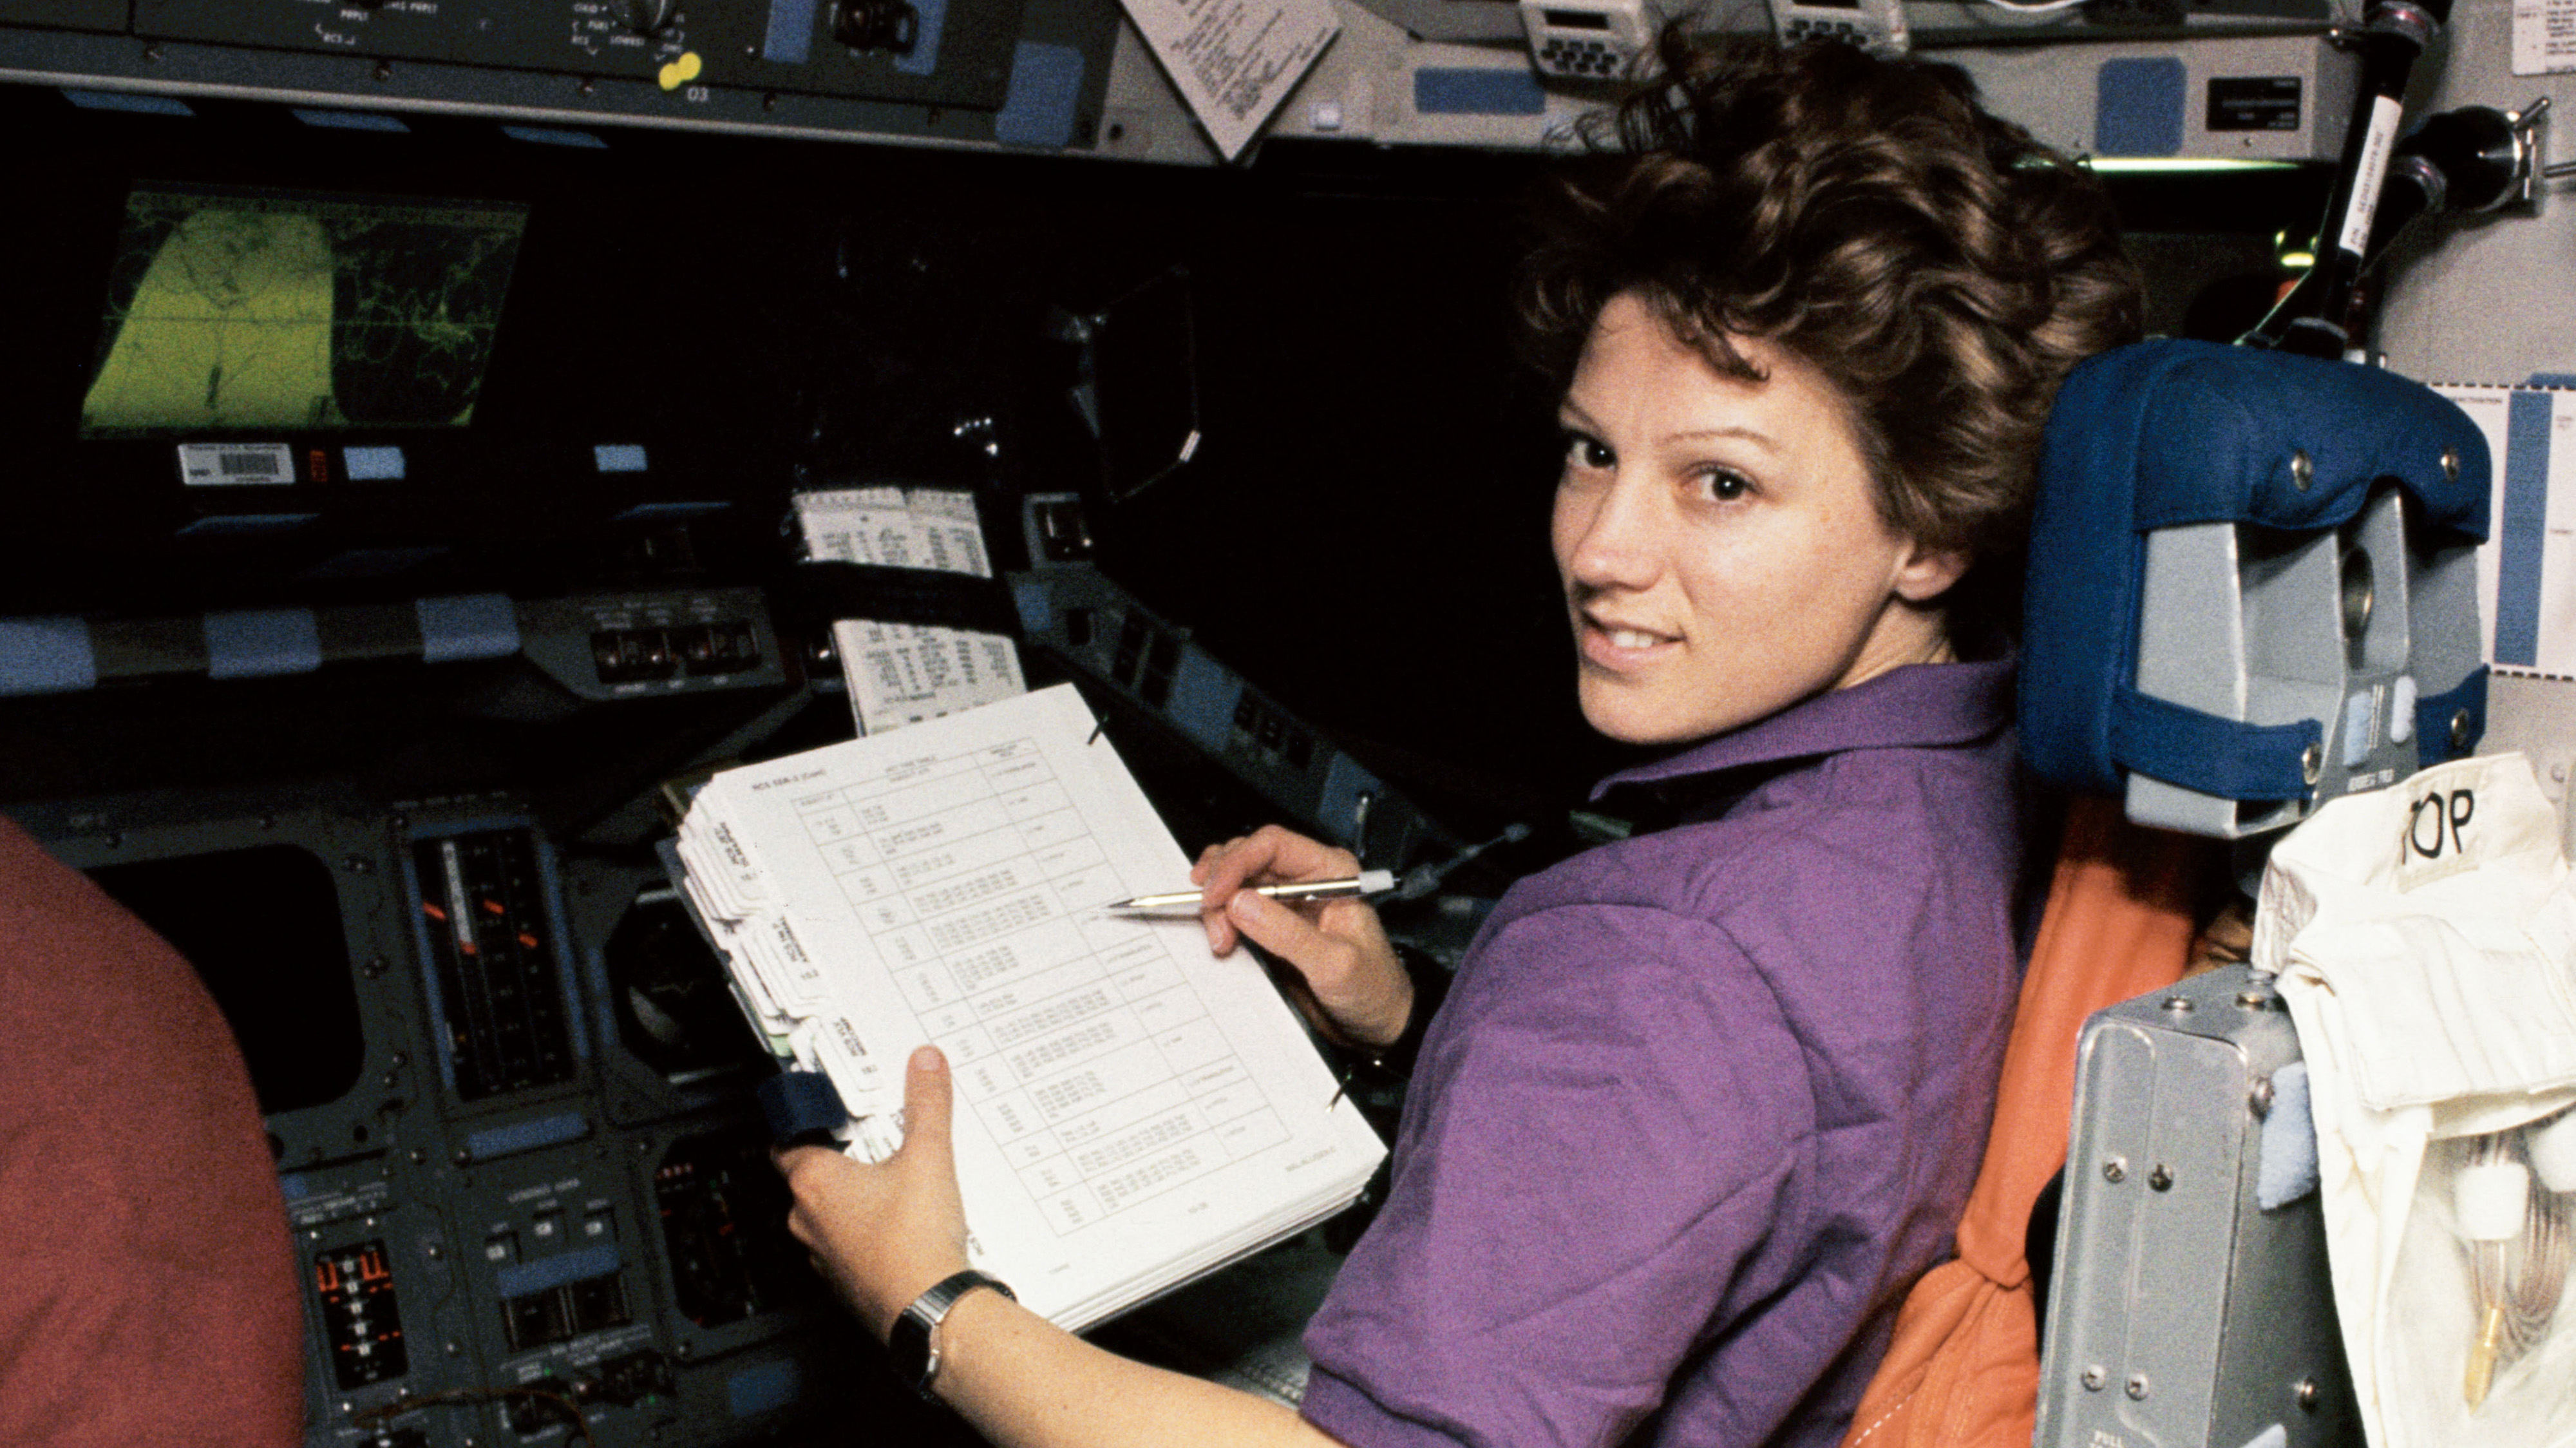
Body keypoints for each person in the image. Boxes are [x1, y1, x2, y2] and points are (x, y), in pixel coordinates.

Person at [774, 33, 2142, 1448]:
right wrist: (1411, 1026)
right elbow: (1750, 1144)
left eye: (1718, 482)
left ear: (1930, 524)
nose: (1600, 548)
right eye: (1589, 448)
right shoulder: (1981, 791)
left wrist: (930, 1303)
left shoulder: (1656, 958)